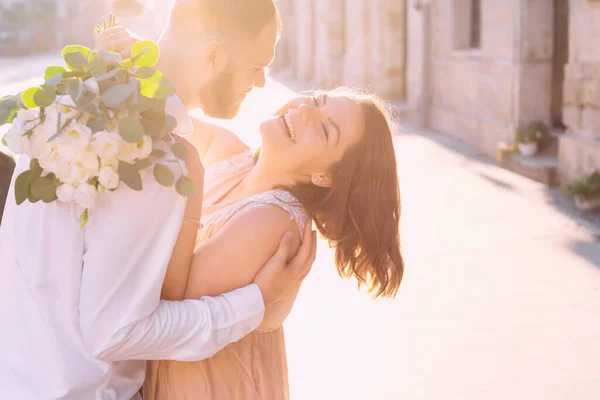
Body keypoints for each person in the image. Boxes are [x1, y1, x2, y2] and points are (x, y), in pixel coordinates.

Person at [0, 1, 317, 399]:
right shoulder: (151, 154)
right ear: (214, 54)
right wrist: (253, 303)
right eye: (257, 65)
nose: (260, 83)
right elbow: (117, 330)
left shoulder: (71, 98)